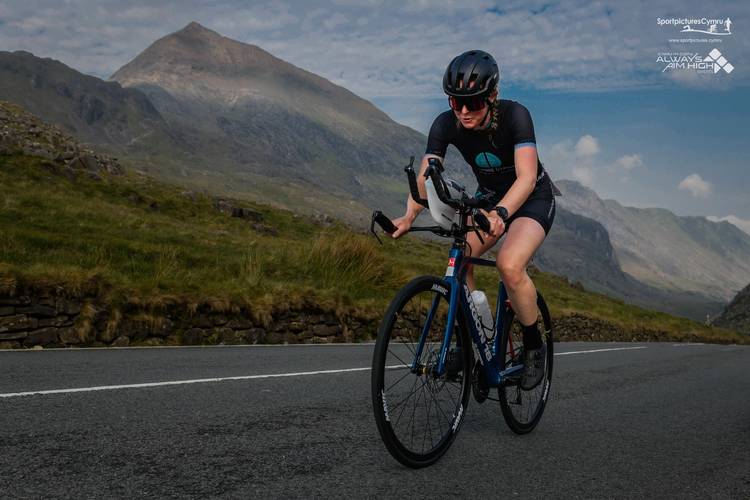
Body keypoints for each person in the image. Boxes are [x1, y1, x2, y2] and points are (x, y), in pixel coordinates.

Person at [390, 50, 557, 390]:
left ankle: (534, 346)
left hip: (531, 199)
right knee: (458, 259)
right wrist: (408, 215)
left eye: (474, 103)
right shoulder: (444, 123)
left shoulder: (516, 116)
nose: (464, 112)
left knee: (509, 265)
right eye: (456, 102)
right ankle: (469, 339)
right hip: (490, 198)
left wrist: (501, 213)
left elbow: (525, 178)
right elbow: (426, 177)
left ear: (491, 96)